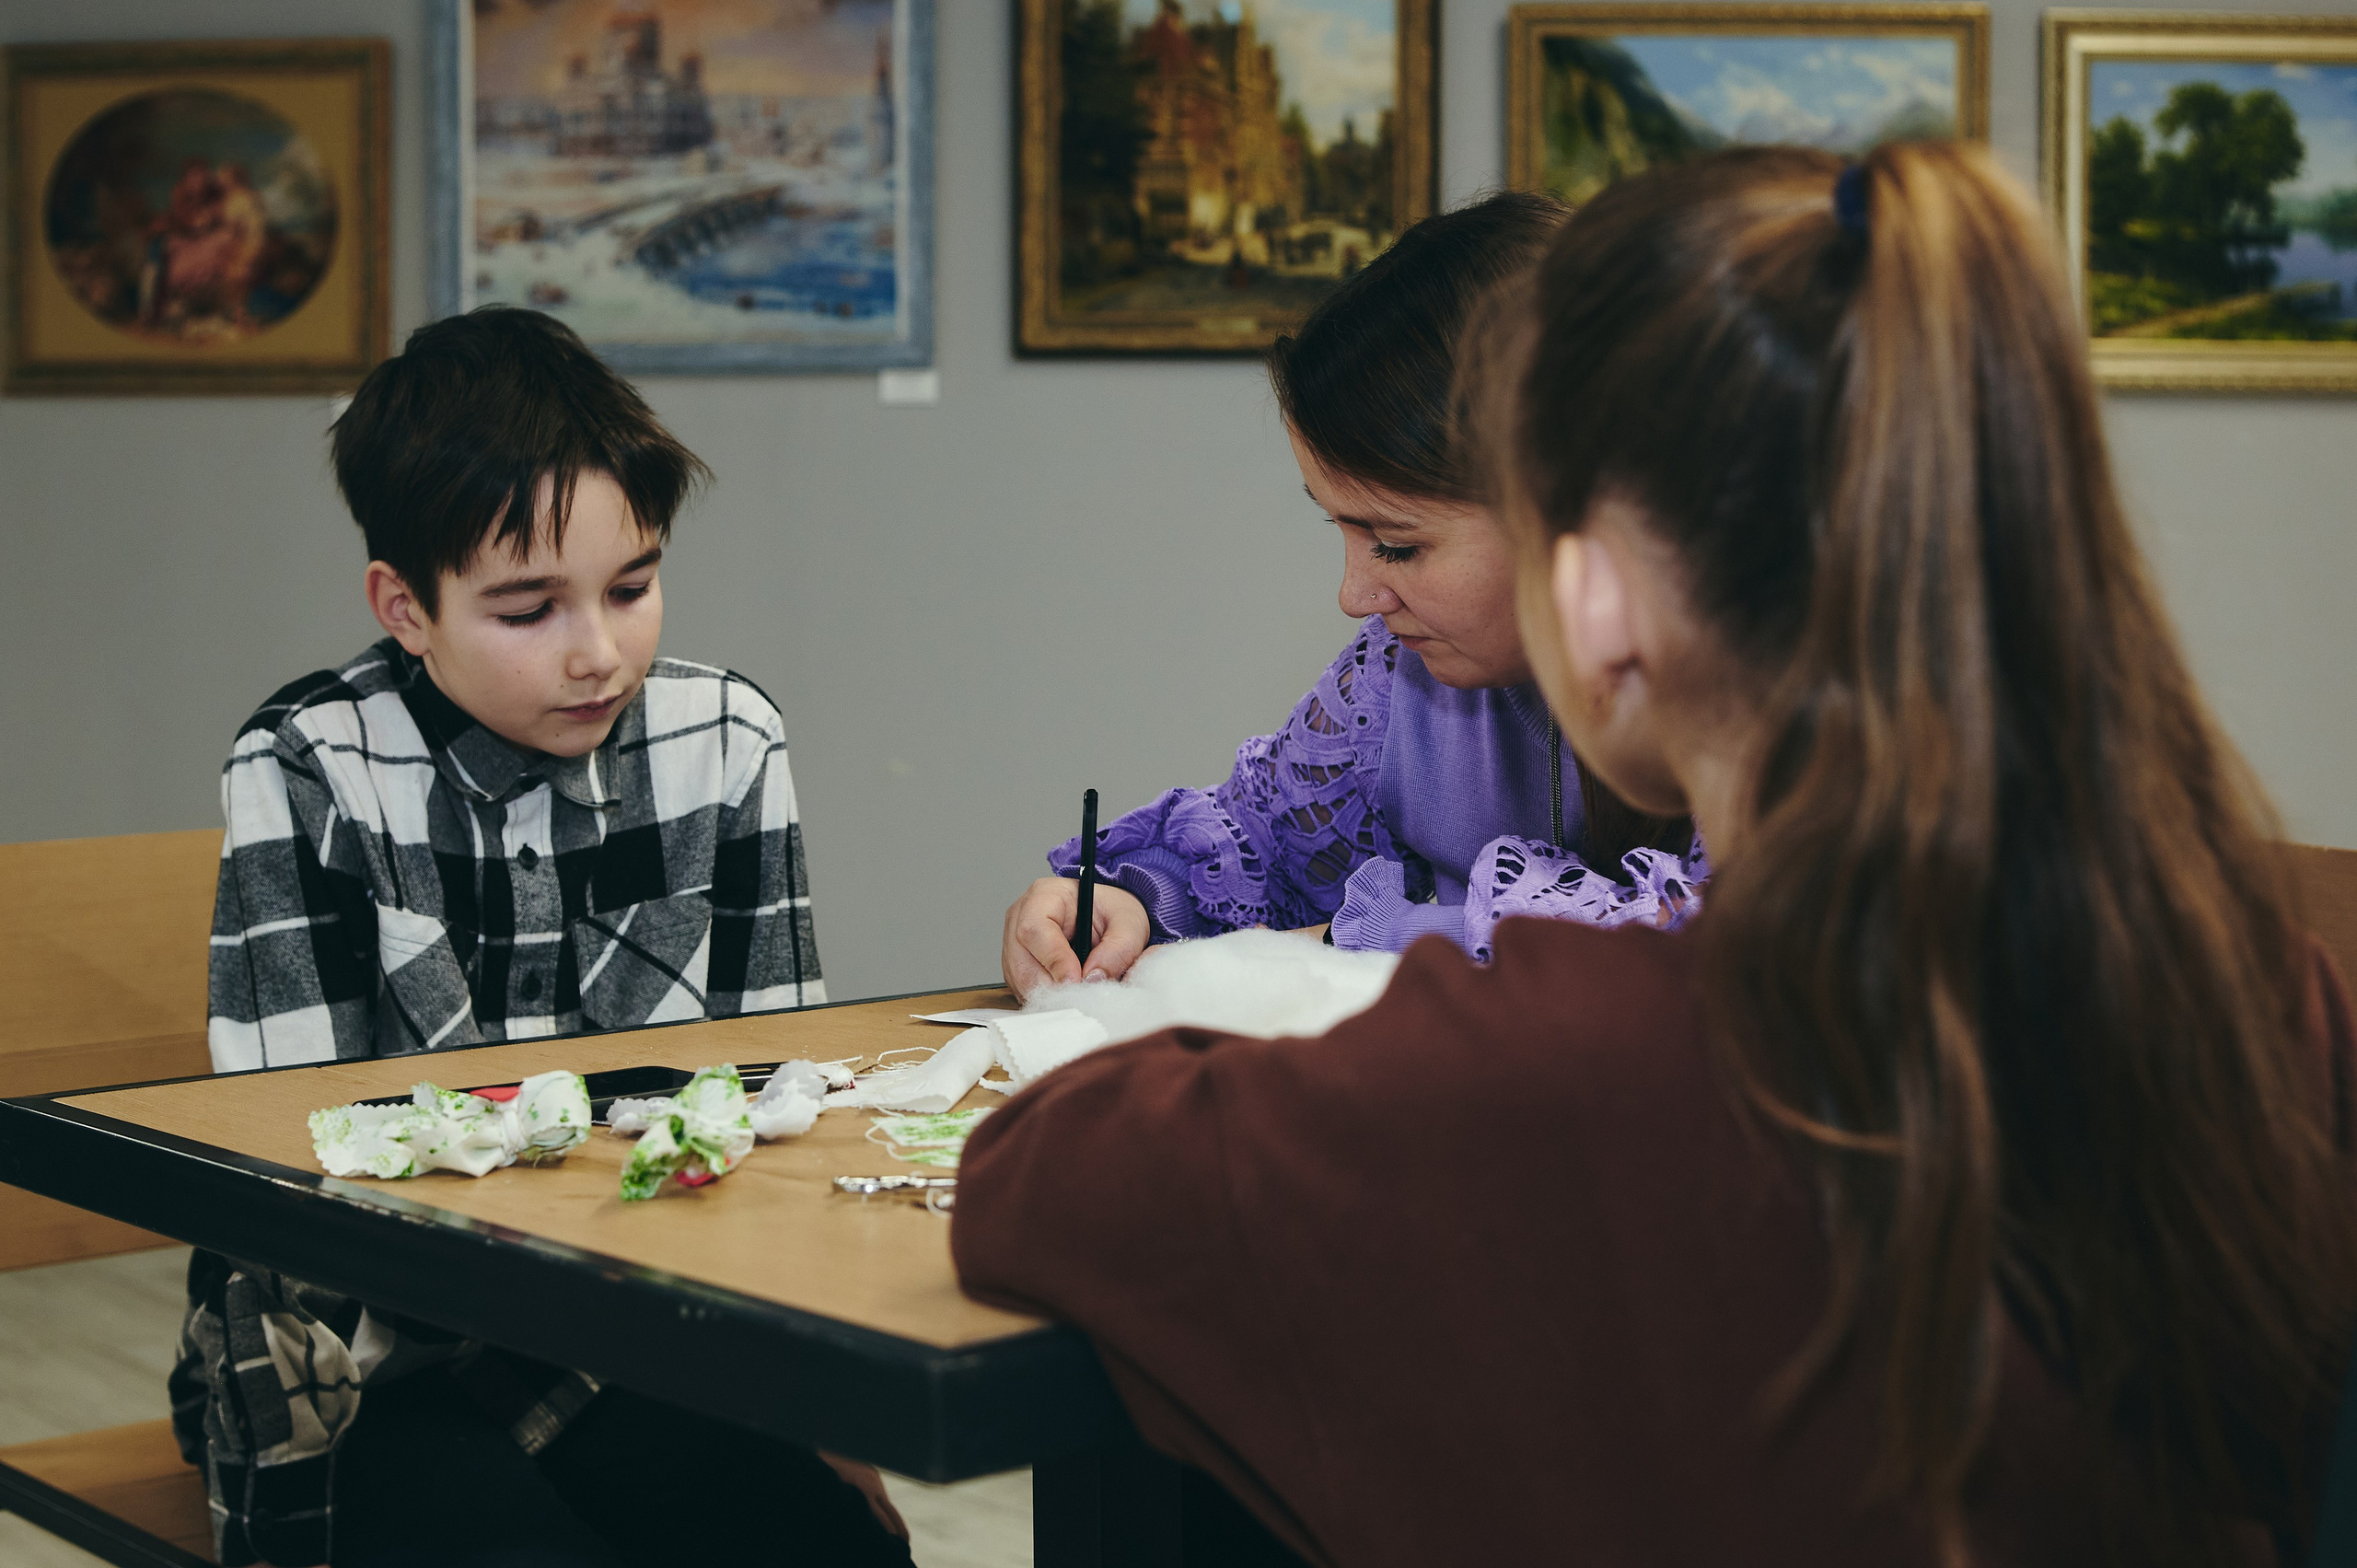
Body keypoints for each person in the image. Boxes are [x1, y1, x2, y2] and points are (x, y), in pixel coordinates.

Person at [954, 143, 2357, 1566]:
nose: (1360, 592)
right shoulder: (2268, 993)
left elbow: (1034, 1183)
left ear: (1593, 585)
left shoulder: (1571, 1059)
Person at [177, 308, 904, 1568]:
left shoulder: (726, 738)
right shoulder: (308, 762)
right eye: (528, 608)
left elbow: (784, 1101)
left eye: (634, 585)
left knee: (834, 1546)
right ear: (405, 605)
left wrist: (819, 1417)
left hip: (626, 1342)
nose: (600, 649)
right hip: (353, 1361)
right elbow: (286, 1161)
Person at [998, 192, 1701, 998]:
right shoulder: (1397, 679)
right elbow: (1262, 838)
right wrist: (1133, 904)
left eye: (1397, 544)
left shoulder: (1783, 690)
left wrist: (1355, 940)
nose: (1355, 593)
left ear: (1580, 510)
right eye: (1341, 527)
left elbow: (1722, 953)